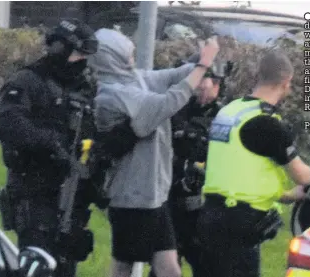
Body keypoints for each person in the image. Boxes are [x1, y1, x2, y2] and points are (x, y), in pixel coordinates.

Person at [88, 28, 219, 277]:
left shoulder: (132, 78)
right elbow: (167, 102)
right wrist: (202, 65)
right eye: (126, 55)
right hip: (132, 196)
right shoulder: (113, 95)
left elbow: (169, 78)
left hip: (153, 195)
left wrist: (197, 60)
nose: (132, 59)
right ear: (111, 58)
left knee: (168, 268)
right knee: (124, 265)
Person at [196, 49, 310, 277]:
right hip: (239, 224)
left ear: (259, 75)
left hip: (210, 214)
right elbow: (302, 176)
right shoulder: (266, 124)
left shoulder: (230, 111)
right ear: (287, 81)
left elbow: (235, 170)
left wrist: (286, 196)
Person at [0, 19, 98, 277]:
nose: (82, 61)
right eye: (78, 54)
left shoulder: (84, 89)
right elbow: (6, 123)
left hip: (71, 199)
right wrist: (49, 143)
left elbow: (92, 135)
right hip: (34, 194)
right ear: (59, 48)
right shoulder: (29, 81)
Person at [148, 55, 225, 277]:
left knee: (207, 266)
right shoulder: (174, 110)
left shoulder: (224, 117)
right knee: (163, 268)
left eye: (204, 80)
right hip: (170, 200)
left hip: (204, 208)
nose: (198, 87)